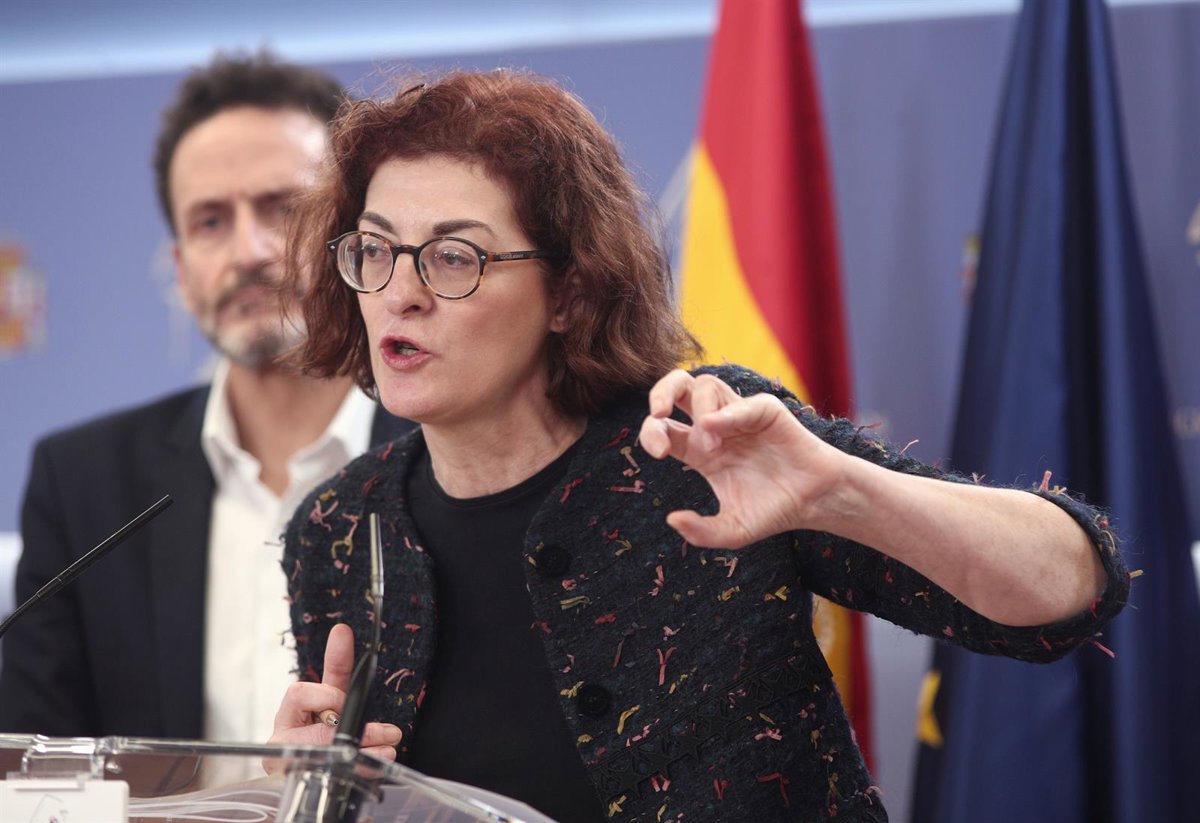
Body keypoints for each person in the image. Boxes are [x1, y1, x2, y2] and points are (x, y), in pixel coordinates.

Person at [266, 70, 1129, 822]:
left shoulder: (700, 448)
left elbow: (1070, 587)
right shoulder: (337, 528)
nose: (400, 293)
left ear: (569, 293)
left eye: (454, 257)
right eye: (374, 249)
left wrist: (839, 490)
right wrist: (319, 794)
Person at [0, 52, 414, 766]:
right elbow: (36, 768)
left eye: (282, 208)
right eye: (211, 221)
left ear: (355, 238)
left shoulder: (446, 457)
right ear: (181, 270)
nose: (247, 251)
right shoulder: (85, 484)